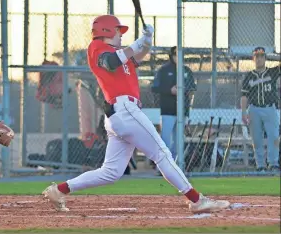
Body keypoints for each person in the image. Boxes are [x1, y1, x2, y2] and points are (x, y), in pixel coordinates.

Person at [42, 15, 230, 214]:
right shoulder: (97, 48)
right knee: (162, 153)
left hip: (121, 115)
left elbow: (135, 57)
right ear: (106, 31)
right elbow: (112, 61)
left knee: (110, 172)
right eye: (118, 31)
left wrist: (147, 43)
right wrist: (137, 43)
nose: (120, 35)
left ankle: (58, 190)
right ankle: (196, 200)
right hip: (124, 110)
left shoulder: (119, 53)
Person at [151, 46, 196, 160]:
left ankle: (175, 165)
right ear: (171, 55)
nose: (178, 57)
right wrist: (169, 90)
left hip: (182, 111)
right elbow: (155, 87)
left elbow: (191, 90)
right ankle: (163, 165)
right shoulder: (164, 70)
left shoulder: (186, 70)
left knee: (178, 141)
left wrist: (187, 111)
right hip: (168, 110)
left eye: (180, 54)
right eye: (176, 54)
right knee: (165, 139)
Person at [241, 47, 280, 173]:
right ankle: (260, 166)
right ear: (253, 58)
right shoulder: (248, 76)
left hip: (270, 108)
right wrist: (243, 112)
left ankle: (273, 163)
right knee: (256, 139)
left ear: (265, 58)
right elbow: (244, 96)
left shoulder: (273, 72)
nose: (259, 58)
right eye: (256, 56)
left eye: (262, 55)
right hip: (254, 110)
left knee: (273, 137)